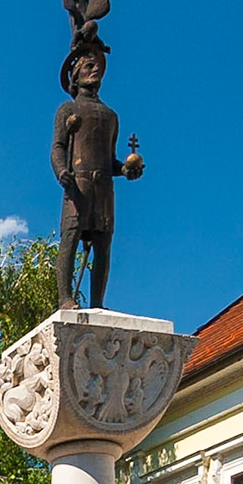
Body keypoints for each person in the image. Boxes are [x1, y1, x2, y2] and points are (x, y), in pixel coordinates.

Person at [52, 41, 144, 311]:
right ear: (76, 74)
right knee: (70, 238)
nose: (95, 70)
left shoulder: (110, 116)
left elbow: (110, 159)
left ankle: (98, 304)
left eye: (98, 66)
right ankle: (65, 298)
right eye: (88, 66)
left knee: (103, 245)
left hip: (103, 188)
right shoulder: (67, 110)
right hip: (78, 184)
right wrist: (61, 171)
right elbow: (57, 146)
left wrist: (125, 169)